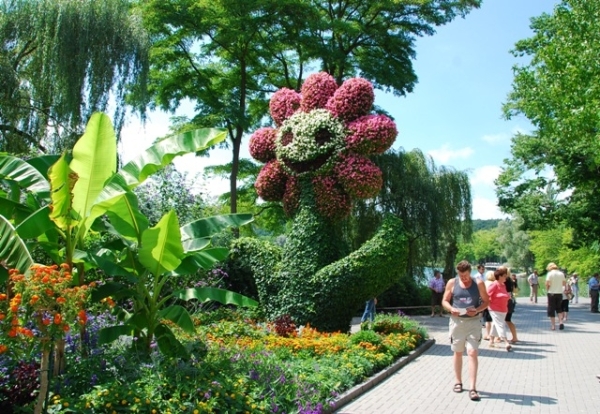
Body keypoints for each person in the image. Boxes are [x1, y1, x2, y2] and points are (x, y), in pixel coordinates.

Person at [442, 260, 489, 402]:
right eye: (461, 276)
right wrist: (451, 309)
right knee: (458, 351)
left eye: (466, 276)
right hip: (457, 322)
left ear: (470, 272)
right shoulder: (452, 282)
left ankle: (473, 388)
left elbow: (487, 302)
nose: (464, 278)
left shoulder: (478, 283)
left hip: (473, 321)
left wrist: (477, 309)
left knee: (472, 352)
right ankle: (458, 381)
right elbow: (444, 301)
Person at [486, 267, 513, 351]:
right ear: (500, 276)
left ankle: (491, 341)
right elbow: (487, 294)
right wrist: (489, 302)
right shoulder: (494, 284)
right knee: (500, 325)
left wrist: (508, 296)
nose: (506, 277)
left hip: (503, 309)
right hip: (494, 308)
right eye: (504, 276)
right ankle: (506, 342)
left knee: (495, 324)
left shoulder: (503, 285)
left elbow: (504, 294)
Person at [545, 263, 566, 330]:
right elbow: (564, 283)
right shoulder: (561, 273)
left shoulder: (550, 273)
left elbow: (547, 283)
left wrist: (548, 289)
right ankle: (561, 322)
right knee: (559, 308)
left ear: (550, 268)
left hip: (551, 293)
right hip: (559, 293)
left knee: (551, 309)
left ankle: (553, 326)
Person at [504, 268, 519, 343]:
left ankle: (500, 338)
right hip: (511, 301)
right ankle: (514, 337)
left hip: (507, 302)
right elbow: (514, 290)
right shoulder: (511, 280)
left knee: (505, 320)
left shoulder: (505, 281)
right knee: (507, 320)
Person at [482, 271, 496, 340]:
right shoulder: (495, 283)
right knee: (493, 319)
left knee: (487, 320)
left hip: (486, 302)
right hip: (494, 303)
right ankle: (493, 335)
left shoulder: (484, 283)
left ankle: (488, 334)